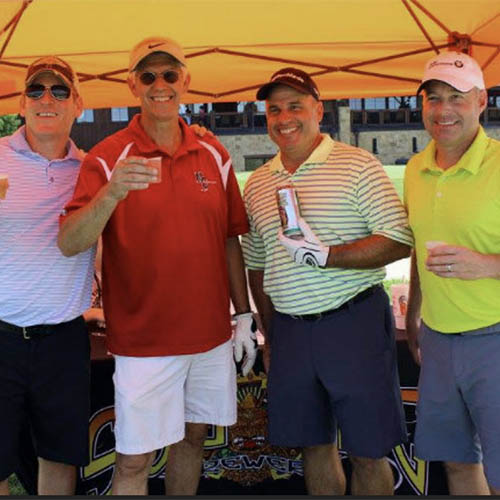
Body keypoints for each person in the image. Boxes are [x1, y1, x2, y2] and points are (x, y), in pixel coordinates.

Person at [57, 36, 256, 496]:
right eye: (148, 76)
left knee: (193, 440)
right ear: (132, 85)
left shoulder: (214, 153)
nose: (159, 85)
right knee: (134, 460)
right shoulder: (108, 157)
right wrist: (110, 194)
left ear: (185, 80)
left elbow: (230, 237)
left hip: (208, 336)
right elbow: (70, 242)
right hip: (145, 342)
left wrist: (243, 315)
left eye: (169, 74)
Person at [241, 67, 413, 495]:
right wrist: (270, 333)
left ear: (319, 110)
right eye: (274, 109)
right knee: (313, 446)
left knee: (367, 450)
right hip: (291, 329)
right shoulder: (259, 183)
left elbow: (398, 241)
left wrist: (330, 257)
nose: (284, 118)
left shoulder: (358, 164)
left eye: (295, 106)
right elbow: (257, 266)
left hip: (353, 321)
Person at [404, 51, 500, 495]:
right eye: (433, 97)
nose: (443, 110)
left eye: (456, 98)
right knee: (458, 465)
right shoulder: (415, 170)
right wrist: (415, 314)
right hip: (439, 342)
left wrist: (486, 265)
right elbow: (422, 245)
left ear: (481, 101)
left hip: (494, 338)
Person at [0, 56, 95, 495]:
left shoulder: (93, 170)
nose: (46, 99)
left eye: (59, 91)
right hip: (1, 333)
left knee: (60, 456)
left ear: (78, 103)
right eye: (36, 90)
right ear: (21, 103)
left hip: (63, 337)